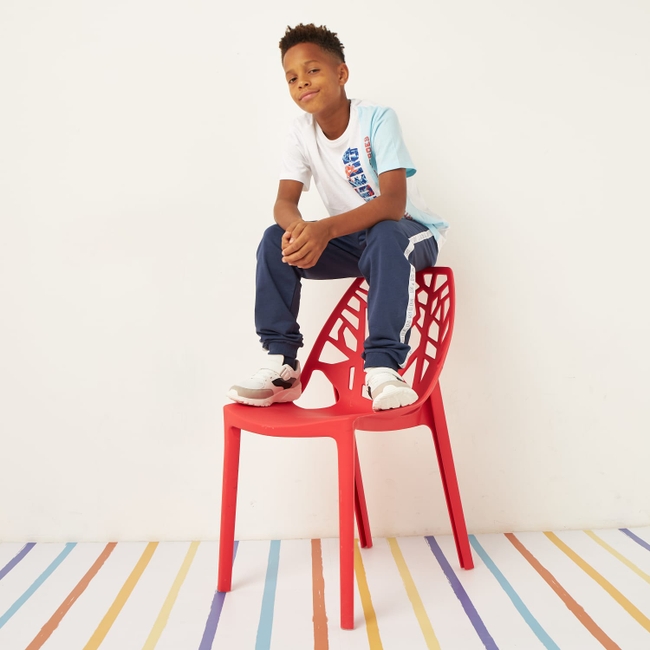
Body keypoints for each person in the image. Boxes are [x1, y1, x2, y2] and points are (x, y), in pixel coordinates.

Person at [227, 23, 448, 410]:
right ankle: (282, 365)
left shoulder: (377, 119)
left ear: (341, 73)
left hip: (410, 233)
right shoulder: (300, 132)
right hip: (354, 239)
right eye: (292, 78)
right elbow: (283, 203)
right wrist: (301, 230)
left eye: (312, 70)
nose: (302, 82)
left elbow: (393, 204)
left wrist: (324, 229)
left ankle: (382, 368)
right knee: (274, 239)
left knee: (385, 233)